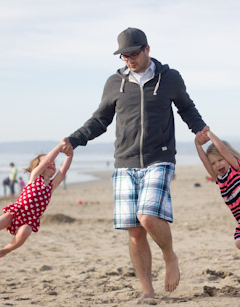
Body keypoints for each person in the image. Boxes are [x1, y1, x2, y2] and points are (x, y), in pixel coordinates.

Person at [61, 27, 209, 300]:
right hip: (125, 162)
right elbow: (99, 120)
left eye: (133, 54)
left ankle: (170, 256)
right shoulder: (114, 83)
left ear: (147, 49)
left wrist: (199, 129)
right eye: (124, 56)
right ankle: (147, 291)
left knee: (148, 217)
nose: (129, 59)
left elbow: (186, 107)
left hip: (160, 158)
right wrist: (74, 139)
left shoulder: (170, 78)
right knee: (135, 232)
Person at [0, 142, 73, 258]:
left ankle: (6, 249)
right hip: (16, 212)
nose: (52, 163)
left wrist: (69, 155)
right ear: (36, 167)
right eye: (48, 161)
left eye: (54, 163)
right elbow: (47, 160)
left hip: (30, 219)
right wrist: (60, 146)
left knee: (25, 231)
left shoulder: (52, 186)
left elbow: (63, 171)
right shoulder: (34, 177)